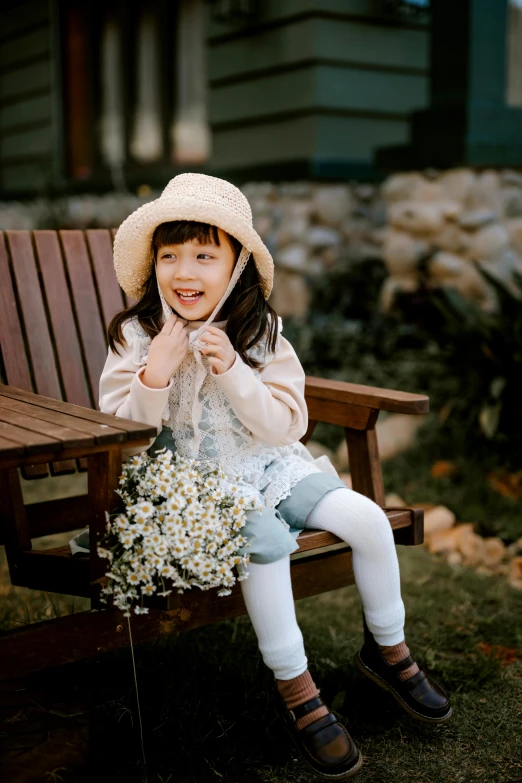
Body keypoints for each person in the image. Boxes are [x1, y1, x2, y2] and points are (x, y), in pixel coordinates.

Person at [91, 173, 451, 780]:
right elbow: (120, 440)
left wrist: (233, 369)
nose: (185, 271)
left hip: (266, 464)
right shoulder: (137, 335)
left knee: (366, 519)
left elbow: (287, 428)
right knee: (266, 542)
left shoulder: (262, 333)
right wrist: (156, 374)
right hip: (184, 486)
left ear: (235, 266)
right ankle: (298, 690)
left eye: (206, 255)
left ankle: (388, 652)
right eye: (170, 255)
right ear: (152, 266)